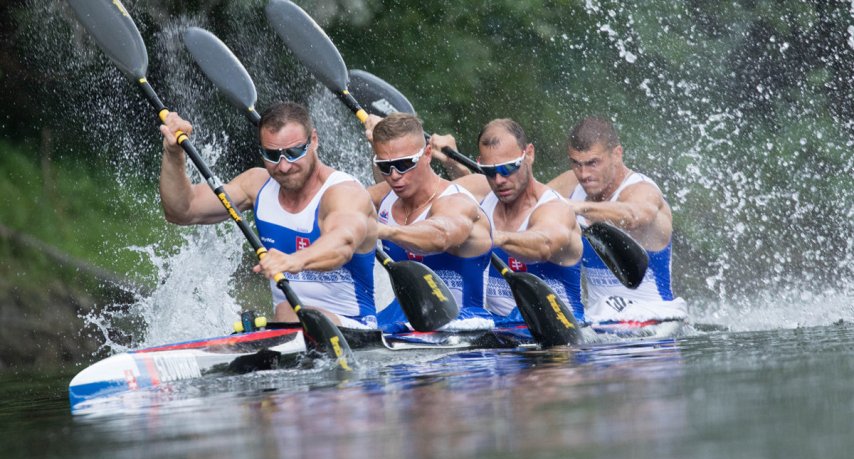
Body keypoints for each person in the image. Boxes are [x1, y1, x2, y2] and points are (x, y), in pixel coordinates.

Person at [158, 102, 378, 327]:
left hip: (354, 329)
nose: (283, 166)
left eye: (293, 152)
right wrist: (173, 153)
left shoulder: (343, 192)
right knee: (274, 316)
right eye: (272, 155)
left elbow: (342, 245)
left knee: (286, 311)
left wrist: (294, 260)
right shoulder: (257, 185)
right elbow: (182, 210)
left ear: (313, 140)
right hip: (291, 327)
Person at [433, 119, 586, 325]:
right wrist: (433, 157)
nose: (499, 180)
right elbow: (416, 195)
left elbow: (544, 245)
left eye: (508, 168)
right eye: (489, 170)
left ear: (529, 154)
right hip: (498, 328)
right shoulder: (479, 191)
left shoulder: (554, 209)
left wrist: (496, 238)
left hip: (556, 329)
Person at [547, 116, 687, 324]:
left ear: (617, 154)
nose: (584, 174)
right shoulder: (571, 183)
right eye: (576, 164)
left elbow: (633, 216)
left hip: (654, 319)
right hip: (598, 320)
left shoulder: (642, 189)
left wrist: (577, 207)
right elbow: (529, 205)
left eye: (593, 163)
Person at [364, 113, 493, 330]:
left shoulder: (455, 201)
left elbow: (441, 235)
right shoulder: (383, 195)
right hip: (402, 320)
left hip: (460, 325)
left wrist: (384, 231)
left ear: (427, 153)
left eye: (404, 163)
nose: (394, 175)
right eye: (385, 166)